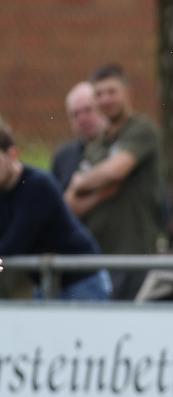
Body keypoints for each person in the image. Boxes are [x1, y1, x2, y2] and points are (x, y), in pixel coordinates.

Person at [64, 63, 164, 300]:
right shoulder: (96, 145)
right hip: (98, 259)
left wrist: (83, 182)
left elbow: (116, 171)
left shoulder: (142, 130)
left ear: (126, 92)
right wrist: (99, 192)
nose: (105, 99)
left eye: (112, 92)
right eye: (99, 94)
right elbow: (70, 204)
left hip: (134, 258)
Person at [0, 118, 110, 300]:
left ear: (12, 154)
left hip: (82, 281)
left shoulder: (38, 185)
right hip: (47, 282)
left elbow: (13, 244)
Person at [51, 82, 107, 191]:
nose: (82, 119)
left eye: (88, 110)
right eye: (75, 114)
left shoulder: (119, 148)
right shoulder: (63, 156)